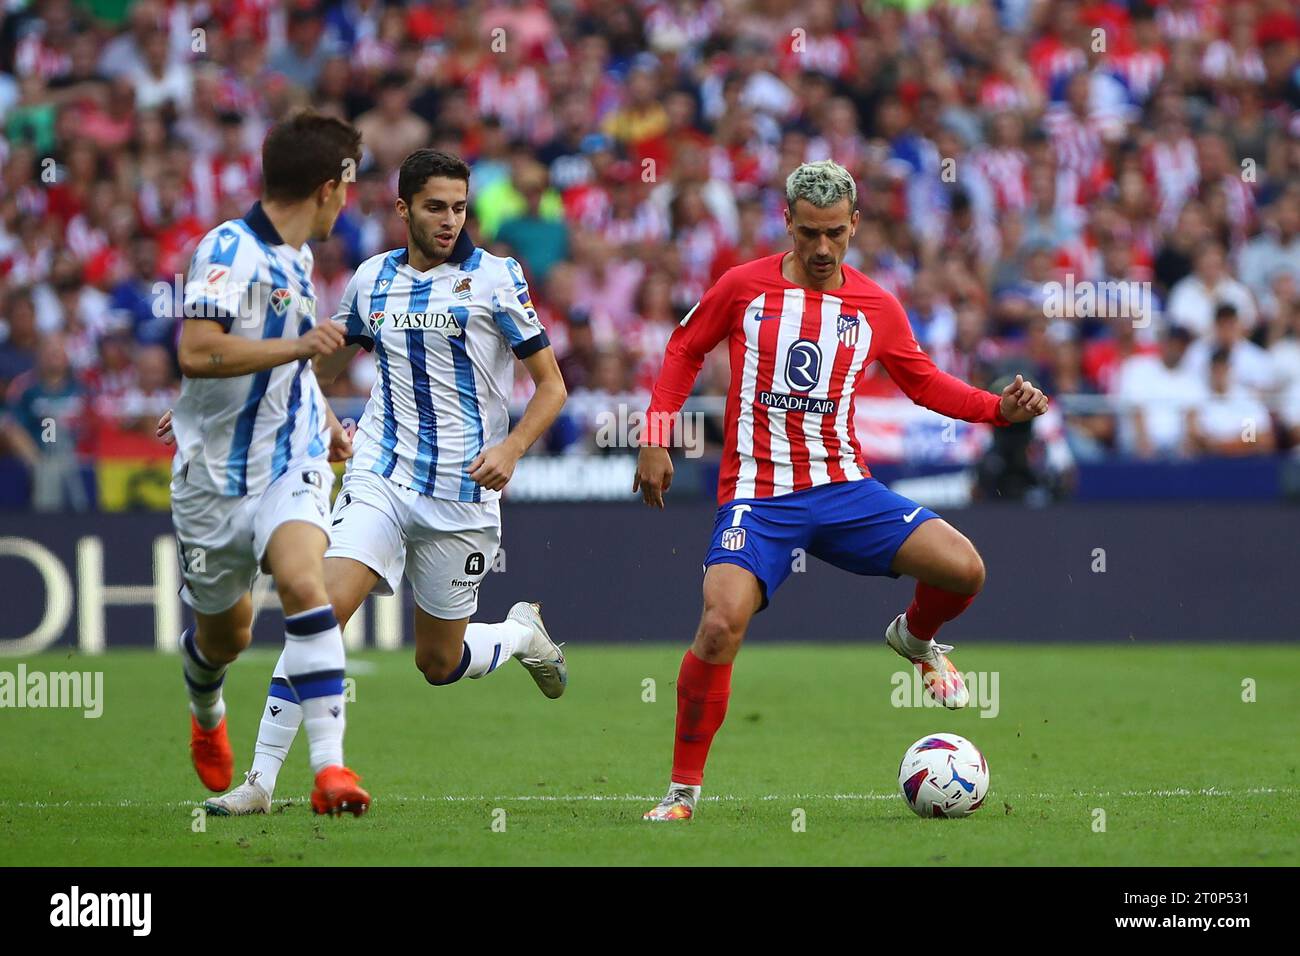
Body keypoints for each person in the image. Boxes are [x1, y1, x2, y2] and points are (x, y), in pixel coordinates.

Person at [632, 160, 1049, 821]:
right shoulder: (743, 287)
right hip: (758, 495)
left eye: (834, 233)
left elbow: (924, 382)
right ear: (787, 224)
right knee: (718, 627)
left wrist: (997, 410)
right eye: (807, 233)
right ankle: (683, 792)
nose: (821, 249)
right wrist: (657, 434)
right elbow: (685, 348)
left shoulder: (876, 306)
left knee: (964, 569)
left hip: (842, 486)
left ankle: (915, 638)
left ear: (855, 225)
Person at [163, 149, 570, 816]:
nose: (449, 220)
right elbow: (312, 367)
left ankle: (522, 634)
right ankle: (261, 783)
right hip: (379, 473)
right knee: (316, 608)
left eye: (459, 207)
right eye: (435, 207)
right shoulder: (371, 279)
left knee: (438, 664)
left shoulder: (497, 279)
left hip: (462, 491)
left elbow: (552, 386)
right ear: (403, 208)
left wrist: (515, 445)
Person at [168, 111, 369, 816]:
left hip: (291, 459)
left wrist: (322, 420)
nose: (348, 200)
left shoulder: (298, 260)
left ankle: (331, 771)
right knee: (227, 636)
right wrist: (300, 350)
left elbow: (290, 364)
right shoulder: (229, 249)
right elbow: (197, 351)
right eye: (346, 185)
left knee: (303, 578)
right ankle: (207, 712)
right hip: (212, 481)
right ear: (324, 187)